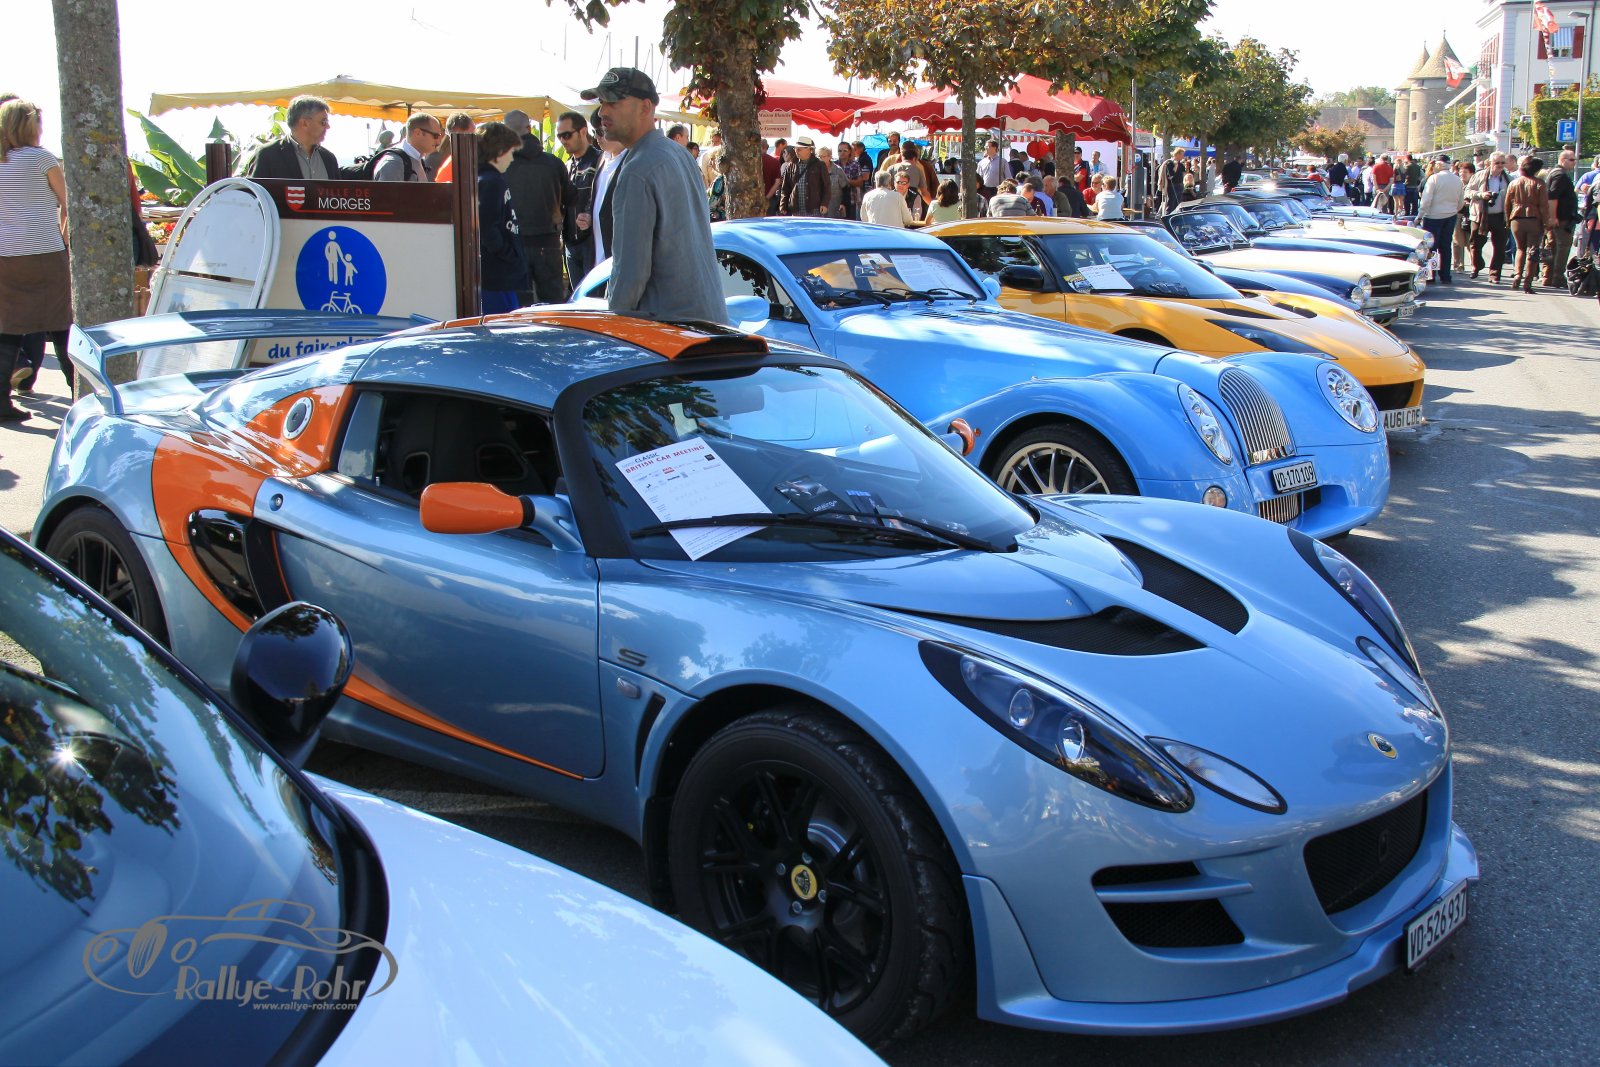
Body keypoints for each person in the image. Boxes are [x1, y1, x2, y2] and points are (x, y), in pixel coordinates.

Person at [582, 67, 725, 324]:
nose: (602, 111)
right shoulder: (679, 154)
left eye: (613, 102)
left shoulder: (637, 170)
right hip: (706, 323)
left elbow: (630, 273)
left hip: (668, 330)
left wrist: (614, 325)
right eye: (602, 102)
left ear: (645, 107)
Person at [0, 98, 69, 423]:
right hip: (44, 252)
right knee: (62, 325)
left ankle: (2, 402)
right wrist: (64, 238)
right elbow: (68, 201)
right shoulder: (41, 158)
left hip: (5, 254)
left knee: (8, 328)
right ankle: (83, 396)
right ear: (29, 126)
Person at [502, 109, 576, 305]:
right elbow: (571, 198)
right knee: (553, 303)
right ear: (529, 128)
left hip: (514, 243)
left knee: (519, 306)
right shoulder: (554, 163)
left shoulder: (501, 167)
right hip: (548, 241)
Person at [474, 122, 528, 315]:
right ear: (499, 150)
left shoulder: (486, 179)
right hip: (497, 277)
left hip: (496, 275)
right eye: (511, 151)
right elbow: (486, 228)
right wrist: (509, 254)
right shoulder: (491, 182)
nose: (512, 158)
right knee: (502, 325)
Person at [557, 110, 603, 296]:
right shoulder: (568, 165)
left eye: (567, 135)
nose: (562, 140)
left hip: (592, 242)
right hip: (570, 242)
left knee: (593, 298)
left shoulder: (600, 161)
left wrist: (592, 216)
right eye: (559, 136)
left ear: (583, 131)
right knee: (578, 297)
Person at [242, 95, 337, 180]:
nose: (328, 126)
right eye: (323, 122)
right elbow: (255, 192)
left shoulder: (329, 159)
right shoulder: (268, 155)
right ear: (304, 123)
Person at [1504, 155, 1553, 294]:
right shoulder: (1540, 184)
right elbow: (1543, 206)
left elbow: (1507, 204)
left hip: (1516, 219)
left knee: (1520, 249)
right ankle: (1528, 282)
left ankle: (1517, 275)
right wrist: (1546, 223)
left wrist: (1508, 220)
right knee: (1533, 250)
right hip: (1534, 219)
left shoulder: (1514, 183)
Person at [1416, 158, 1465, 285]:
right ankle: (1445, 275)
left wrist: (1419, 216)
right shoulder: (1457, 180)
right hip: (1450, 215)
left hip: (1433, 216)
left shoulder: (1434, 178)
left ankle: (1430, 275)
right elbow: (1461, 201)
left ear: (1438, 165)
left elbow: (1426, 200)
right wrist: (1453, 210)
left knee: (1431, 246)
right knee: (1446, 246)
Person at [1466, 153, 1510, 282]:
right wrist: (1481, 195)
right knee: (1475, 244)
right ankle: (1477, 265)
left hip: (1500, 216)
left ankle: (1495, 274)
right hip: (1480, 216)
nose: (1500, 166)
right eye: (1497, 163)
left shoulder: (1508, 178)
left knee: (1500, 247)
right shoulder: (1479, 176)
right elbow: (1467, 192)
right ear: (1490, 163)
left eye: (1502, 163)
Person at [1542, 150, 1579, 288]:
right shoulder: (1560, 175)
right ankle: (1557, 277)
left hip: (1559, 217)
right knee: (1562, 247)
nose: (1574, 163)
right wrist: (1553, 217)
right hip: (1561, 218)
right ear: (1563, 160)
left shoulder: (1554, 173)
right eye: (1572, 160)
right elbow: (1552, 197)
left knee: (1553, 246)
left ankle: (1548, 276)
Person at [373, 112, 442, 182]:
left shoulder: (415, 159)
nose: (438, 142)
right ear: (418, 133)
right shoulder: (394, 163)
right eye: (435, 136)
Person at [779, 136, 829, 217]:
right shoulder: (791, 165)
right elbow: (785, 188)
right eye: (795, 149)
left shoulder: (819, 165)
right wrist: (783, 205)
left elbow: (827, 186)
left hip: (814, 210)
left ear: (809, 150)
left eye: (799, 149)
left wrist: (824, 203)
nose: (796, 151)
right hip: (796, 210)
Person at [430, 113, 478, 184]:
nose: (474, 140)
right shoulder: (450, 166)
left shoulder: (475, 159)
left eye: (475, 135)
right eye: (470, 137)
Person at [1451, 161, 1476, 274]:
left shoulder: (1475, 184)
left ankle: (1474, 265)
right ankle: (1458, 265)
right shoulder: (1457, 184)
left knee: (1471, 242)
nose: (1462, 174)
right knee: (1457, 241)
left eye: (1465, 172)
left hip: (1471, 215)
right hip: (1458, 214)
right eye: (1460, 172)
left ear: (1471, 173)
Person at [817, 145, 848, 219]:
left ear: (829, 157)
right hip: (818, 208)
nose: (820, 159)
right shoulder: (815, 170)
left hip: (835, 207)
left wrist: (843, 204)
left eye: (823, 156)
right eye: (819, 156)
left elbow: (845, 188)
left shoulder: (838, 170)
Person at [1158, 147, 1186, 215]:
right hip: (1172, 186)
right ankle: (1168, 215)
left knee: (1178, 203)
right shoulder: (1170, 163)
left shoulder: (1181, 165)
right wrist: (1175, 167)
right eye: (1182, 154)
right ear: (1177, 154)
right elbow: (1170, 176)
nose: (1183, 156)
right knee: (1171, 203)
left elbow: (1183, 174)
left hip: (1180, 185)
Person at [707, 152, 730, 222]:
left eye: (712, 159)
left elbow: (711, 205)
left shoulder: (720, 181)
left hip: (721, 219)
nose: (710, 163)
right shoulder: (727, 179)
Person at [1402, 153, 1424, 217]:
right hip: (1415, 185)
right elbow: (1420, 176)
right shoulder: (1417, 166)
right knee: (1415, 201)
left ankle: (1407, 213)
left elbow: (1404, 175)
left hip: (1408, 185)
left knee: (1407, 201)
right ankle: (1414, 213)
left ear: (1407, 159)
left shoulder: (1407, 166)